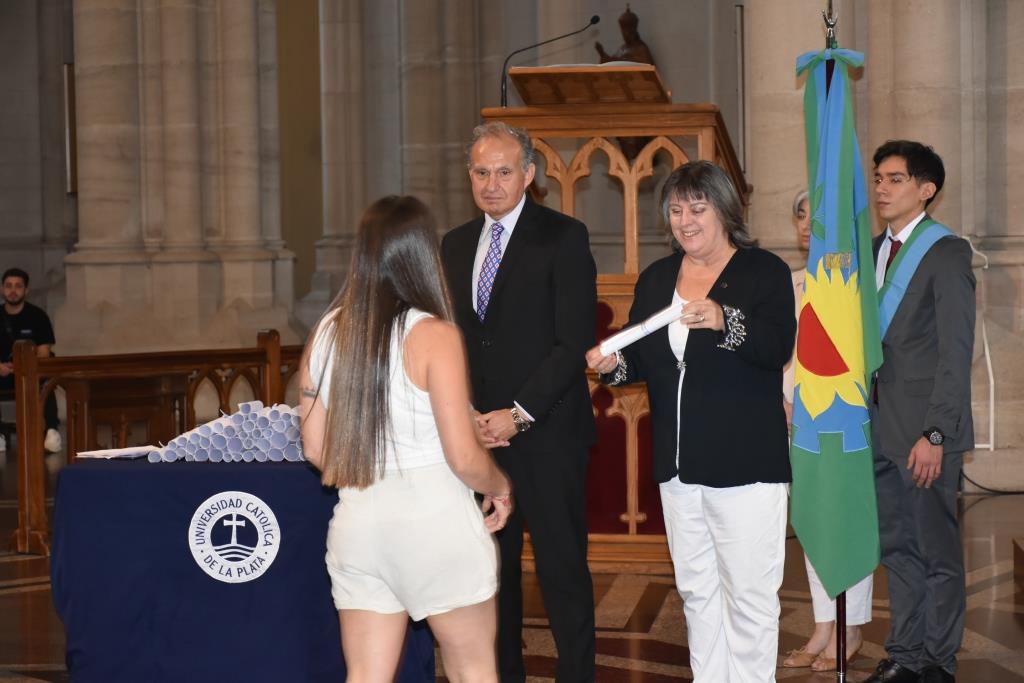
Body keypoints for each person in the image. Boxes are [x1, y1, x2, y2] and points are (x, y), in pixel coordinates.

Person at [587, 161, 795, 683]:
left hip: (745, 466)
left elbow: (777, 349)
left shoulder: (761, 271)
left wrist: (727, 320)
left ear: (725, 210)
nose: (686, 220)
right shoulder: (659, 277)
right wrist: (615, 366)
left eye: (697, 208)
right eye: (677, 210)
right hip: (678, 468)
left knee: (748, 597)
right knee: (698, 592)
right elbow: (645, 360)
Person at [297, 195, 513, 682]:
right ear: (423, 255)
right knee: (473, 670)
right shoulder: (435, 335)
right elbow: (463, 456)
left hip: (360, 527)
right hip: (436, 526)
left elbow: (314, 448)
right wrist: (499, 485)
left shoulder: (327, 332)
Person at [441, 121, 597, 683]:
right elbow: (452, 339)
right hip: (478, 438)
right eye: (481, 172)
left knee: (561, 572)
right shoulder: (455, 244)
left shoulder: (564, 235)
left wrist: (518, 413)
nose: (491, 183)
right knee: (490, 574)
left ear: (529, 175)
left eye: (504, 171)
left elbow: (572, 341)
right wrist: (468, 416)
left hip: (547, 432)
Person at [863, 141, 975, 683]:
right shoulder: (874, 249)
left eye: (895, 179)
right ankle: (905, 653)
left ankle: (938, 661)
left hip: (925, 432)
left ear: (925, 190)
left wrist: (936, 432)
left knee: (936, 551)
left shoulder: (947, 252)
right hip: (879, 425)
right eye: (878, 178)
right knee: (898, 548)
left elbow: (956, 354)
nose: (881, 188)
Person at [781, 190, 873, 672]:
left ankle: (852, 625)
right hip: (797, 421)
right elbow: (780, 354)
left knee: (847, 517)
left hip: (844, 421)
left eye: (814, 218)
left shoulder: (856, 289)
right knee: (813, 518)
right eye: (799, 217)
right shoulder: (789, 283)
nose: (804, 226)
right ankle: (823, 626)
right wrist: (783, 400)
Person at [0, 268, 61, 454]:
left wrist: (22, 367)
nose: (13, 290)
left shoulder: (38, 316)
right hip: (1, 373)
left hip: (31, 373)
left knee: (47, 380)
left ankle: (52, 430)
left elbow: (44, 353)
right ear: (2, 289)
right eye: (9, 286)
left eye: (18, 286)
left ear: (26, 290)